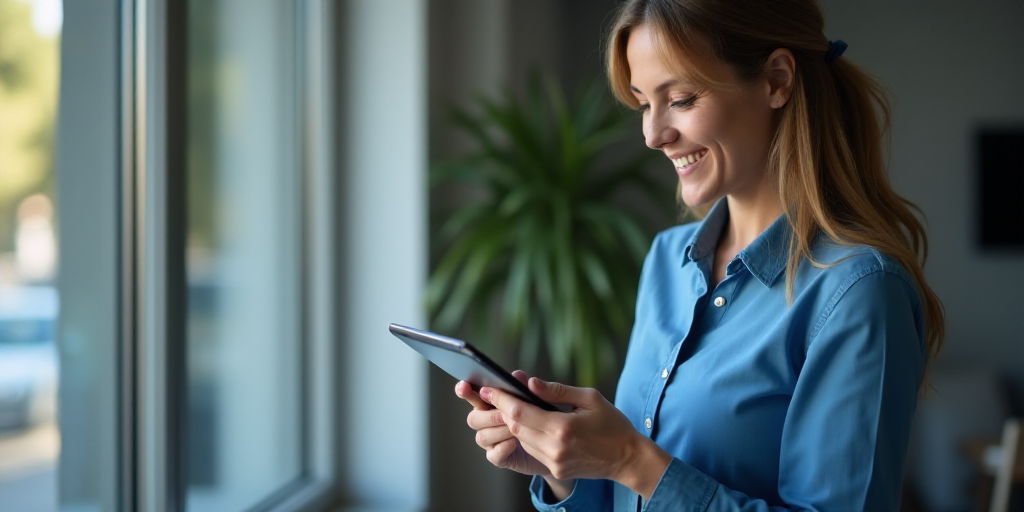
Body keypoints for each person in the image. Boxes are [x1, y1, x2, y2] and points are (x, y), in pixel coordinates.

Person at [454, 0, 945, 509]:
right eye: (644, 103)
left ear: (776, 79)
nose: (652, 134)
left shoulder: (858, 291)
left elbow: (642, 469)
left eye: (682, 98)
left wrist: (630, 460)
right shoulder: (667, 261)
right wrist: (568, 471)